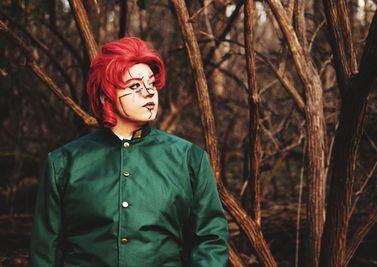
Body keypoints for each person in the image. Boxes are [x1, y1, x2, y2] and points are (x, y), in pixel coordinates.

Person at [28, 37, 229, 267]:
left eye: (151, 84)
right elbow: (45, 251)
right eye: (135, 86)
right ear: (106, 98)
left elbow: (210, 239)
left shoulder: (189, 159)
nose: (149, 93)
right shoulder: (63, 163)